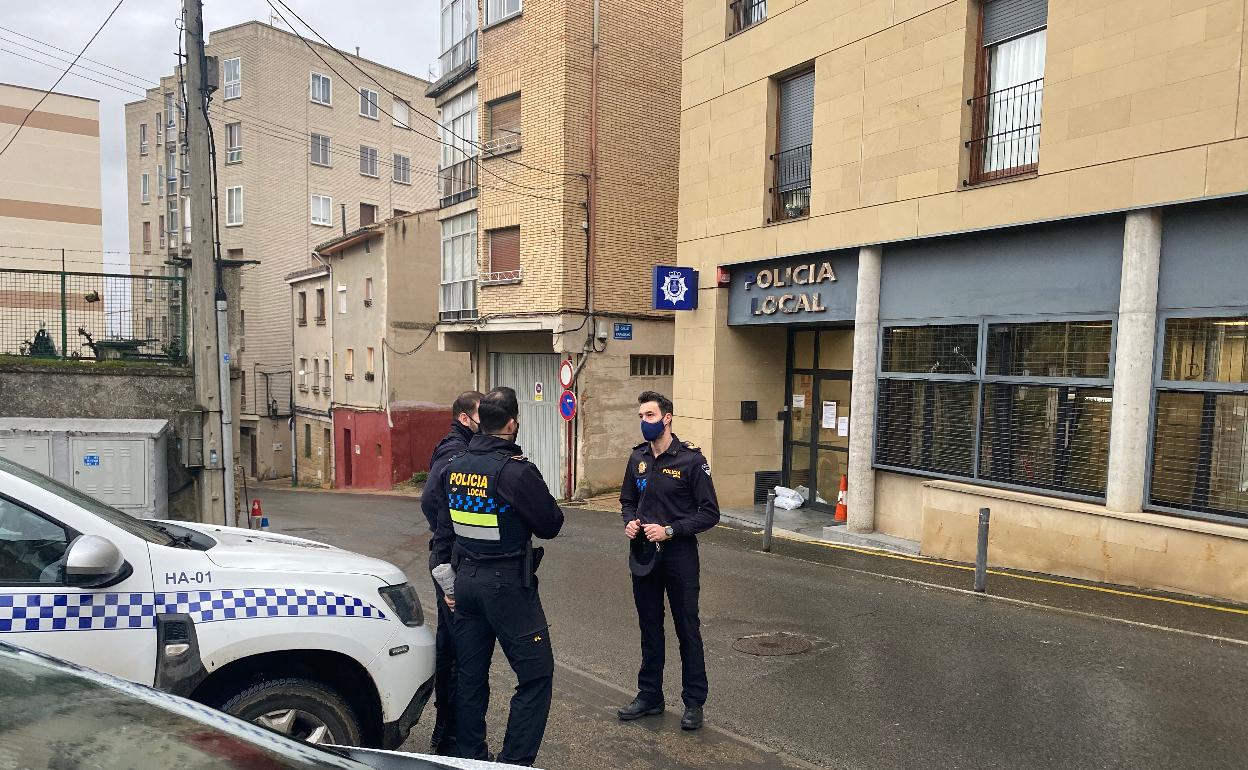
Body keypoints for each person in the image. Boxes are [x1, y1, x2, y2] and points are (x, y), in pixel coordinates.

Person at [430, 387, 564, 767]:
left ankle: (472, 759)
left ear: (479, 423)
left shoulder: (453, 466)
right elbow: (551, 523)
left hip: (465, 584)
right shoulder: (515, 471)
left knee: (471, 678)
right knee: (536, 674)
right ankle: (513, 762)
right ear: (511, 423)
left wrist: (448, 585)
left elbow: (442, 532)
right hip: (506, 585)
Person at [617, 390, 720, 731]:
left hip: (679, 555)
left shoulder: (690, 460)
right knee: (650, 628)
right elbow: (627, 501)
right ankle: (650, 696)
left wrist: (672, 531)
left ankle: (693, 702)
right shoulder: (638, 459)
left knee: (687, 628)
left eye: (649, 415)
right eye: (641, 416)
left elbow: (710, 513)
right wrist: (629, 521)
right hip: (644, 554)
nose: (644, 422)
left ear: (667, 417)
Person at [420, 390, 483, 755]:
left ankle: (447, 734)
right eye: (479, 416)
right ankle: (451, 737)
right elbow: (431, 499)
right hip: (450, 560)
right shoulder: (454, 451)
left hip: (449, 555)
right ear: (464, 418)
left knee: (451, 647)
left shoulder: (457, 445)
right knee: (458, 652)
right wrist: (448, 530)